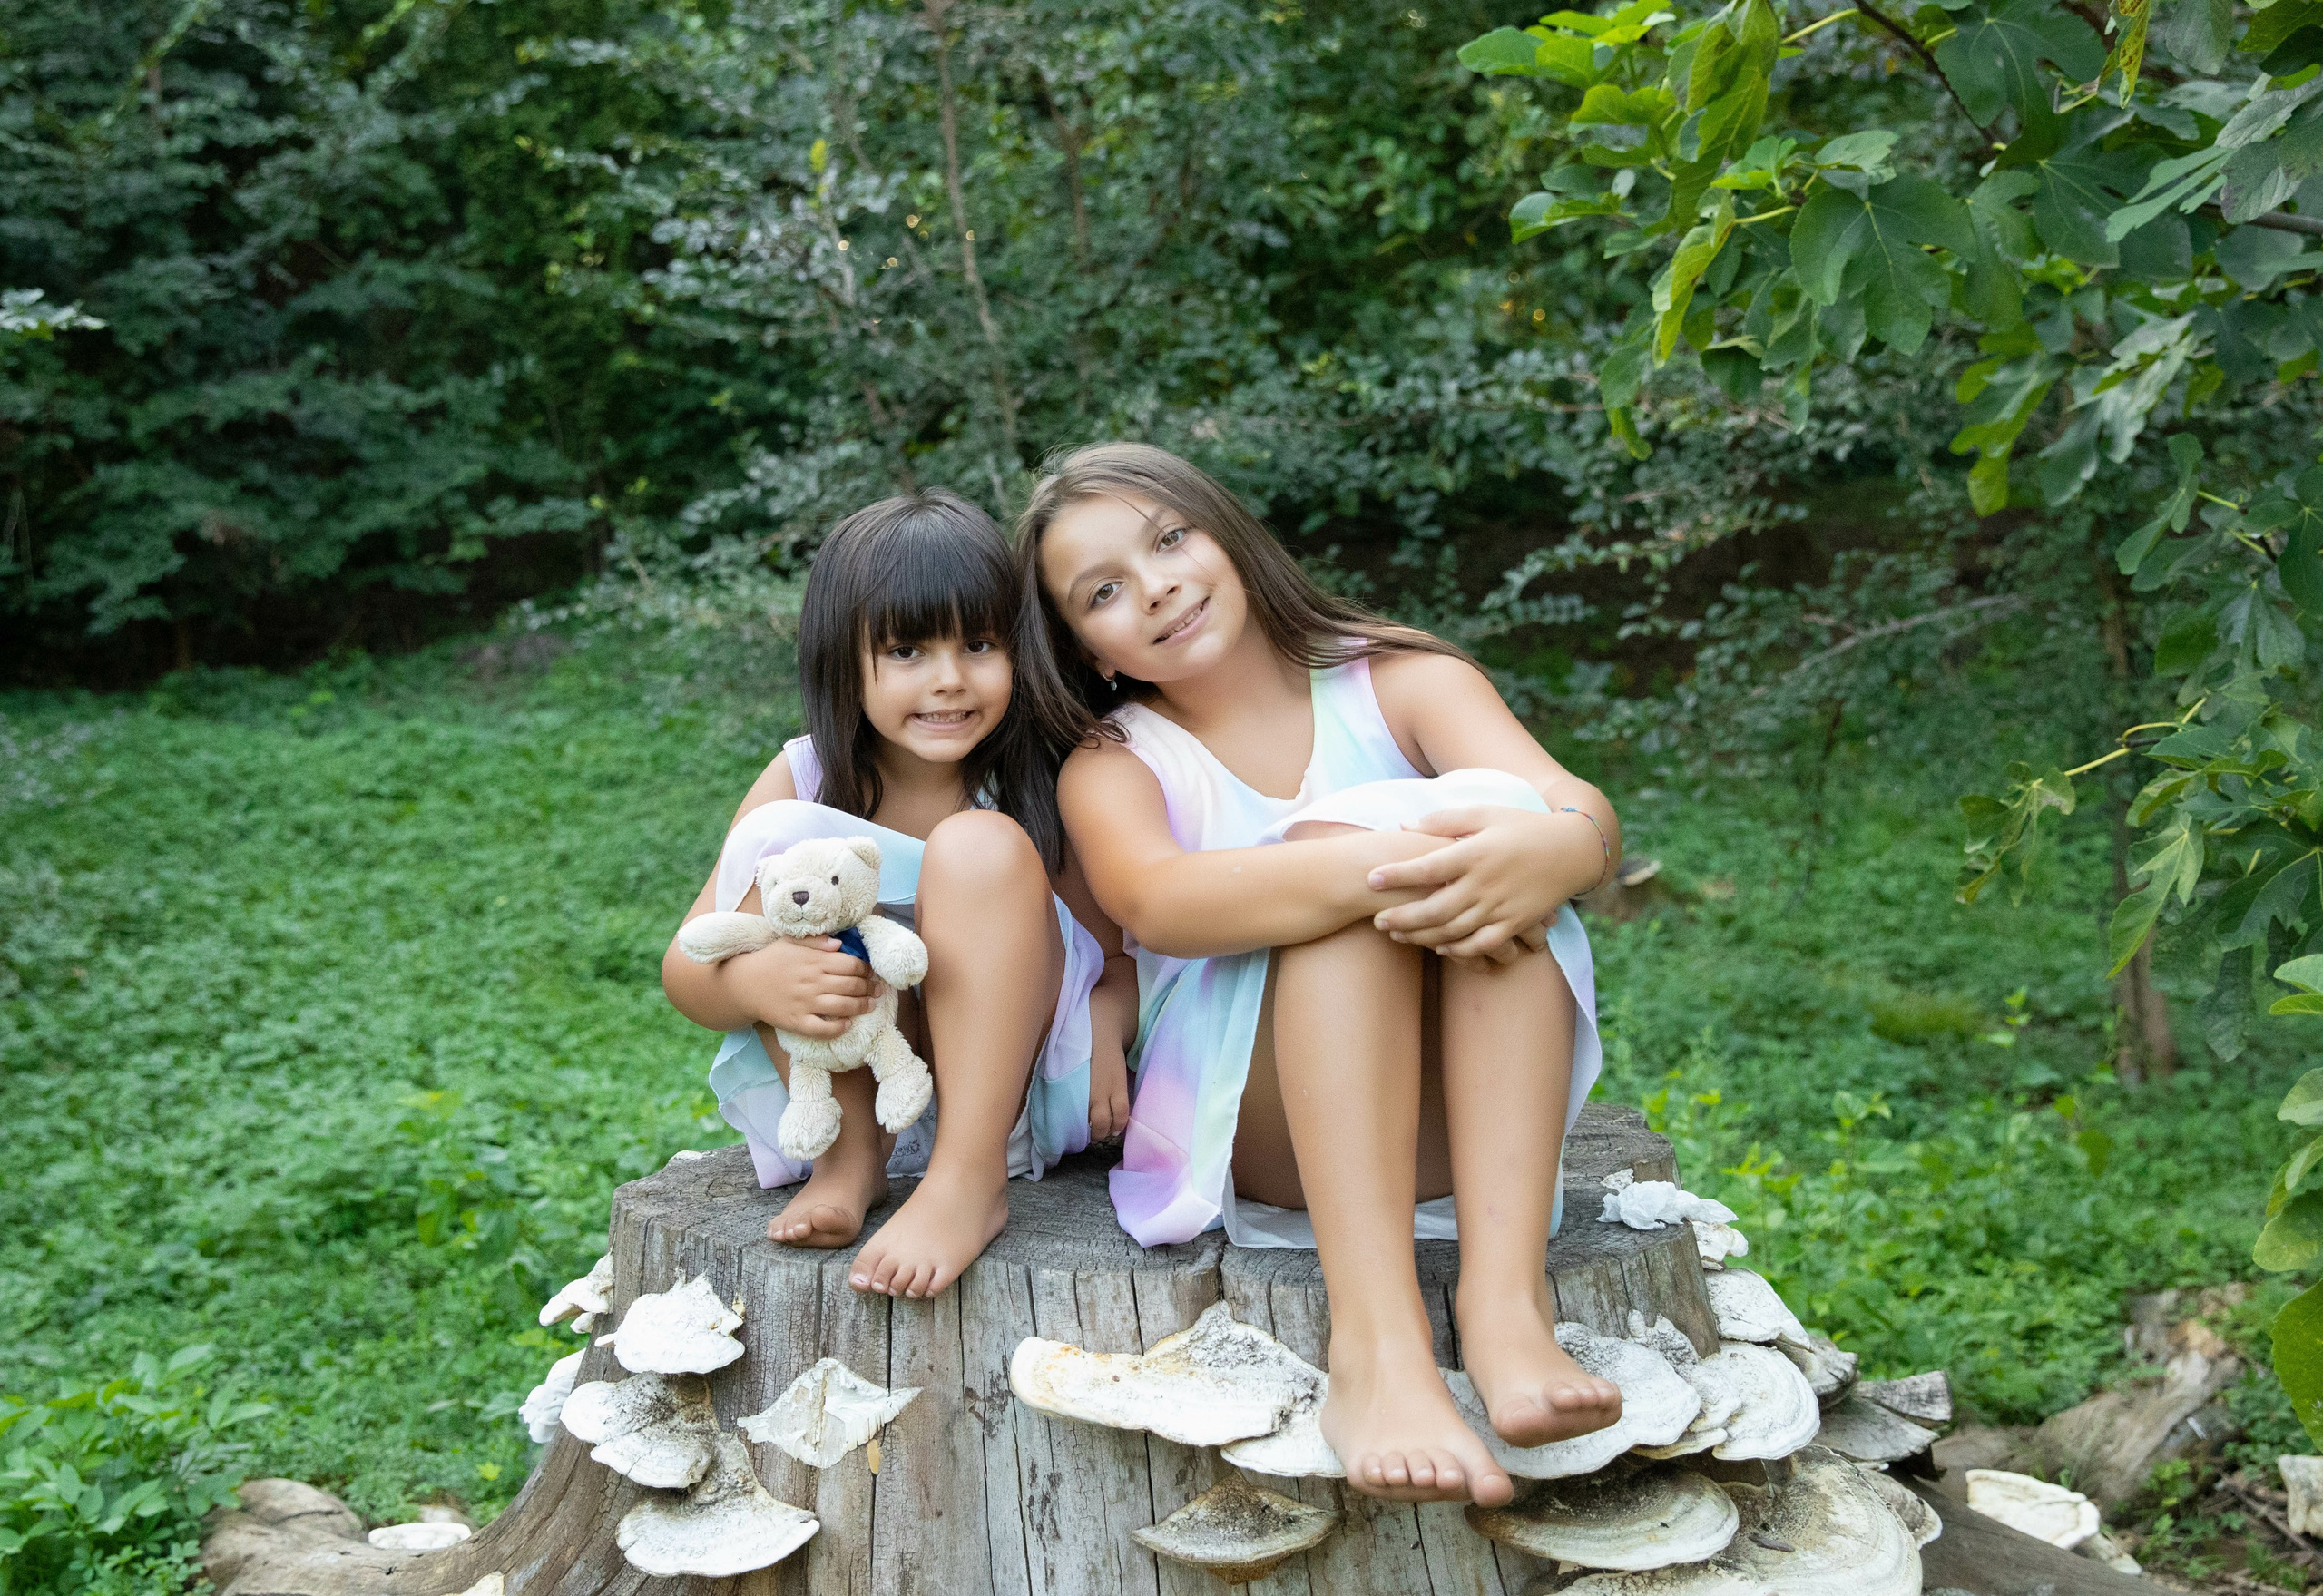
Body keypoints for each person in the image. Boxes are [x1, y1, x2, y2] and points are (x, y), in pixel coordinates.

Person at [1018, 442, 1623, 1508]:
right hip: (1269, 1127)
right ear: (1086, 647)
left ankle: (1504, 1305)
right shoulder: (1115, 760)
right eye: (1103, 590)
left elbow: (1567, 802)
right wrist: (1384, 856)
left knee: (1500, 863)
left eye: (1170, 539)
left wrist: (1560, 848)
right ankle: (1376, 1349)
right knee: (1351, 902)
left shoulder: (1403, 678)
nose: (1155, 585)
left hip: (1467, 1117)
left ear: (1229, 534)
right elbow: (1158, 901)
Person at [661, 490, 1136, 1301]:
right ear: (844, 660)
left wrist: (1106, 1014)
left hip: (1007, 1091)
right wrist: (753, 980)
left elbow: (1114, 955)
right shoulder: (806, 779)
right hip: (849, 1087)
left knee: (975, 847)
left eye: (980, 644)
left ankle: (965, 1178)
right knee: (792, 872)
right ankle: (849, 1165)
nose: (949, 681)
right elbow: (689, 961)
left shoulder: (1038, 773)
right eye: (907, 651)